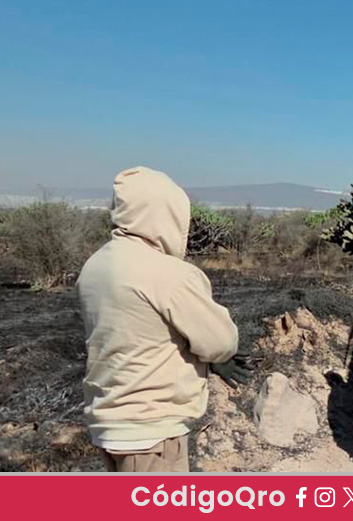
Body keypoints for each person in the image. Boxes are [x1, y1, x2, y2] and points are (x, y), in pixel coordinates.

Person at [77, 166, 253, 473]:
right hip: (150, 429)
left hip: (108, 419)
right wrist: (217, 358)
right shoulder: (169, 274)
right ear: (166, 213)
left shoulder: (95, 266)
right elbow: (221, 342)